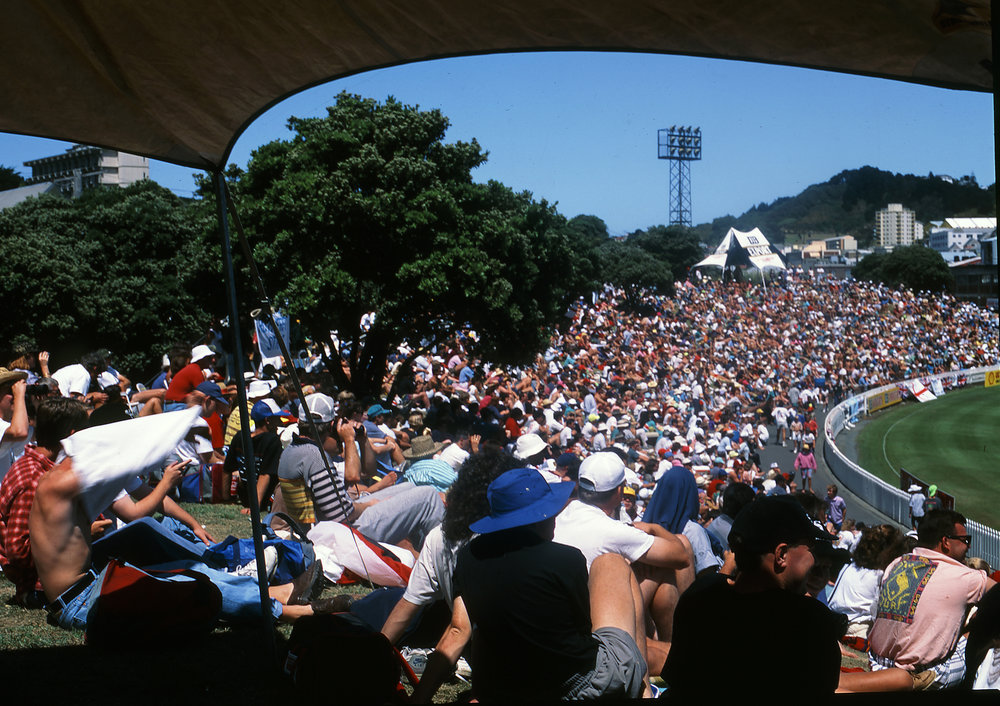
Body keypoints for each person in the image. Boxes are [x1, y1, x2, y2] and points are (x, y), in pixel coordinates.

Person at [411, 467, 651, 702]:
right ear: (538, 519)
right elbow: (582, 628)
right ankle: (646, 692)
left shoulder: (469, 557)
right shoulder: (566, 560)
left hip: (512, 686)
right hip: (577, 684)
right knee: (613, 564)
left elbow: (458, 629)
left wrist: (419, 698)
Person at [663, 495, 892, 699]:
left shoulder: (701, 595)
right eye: (811, 549)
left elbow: (678, 680)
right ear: (781, 554)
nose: (814, 561)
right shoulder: (810, 620)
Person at [553, 452, 693, 668]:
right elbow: (681, 557)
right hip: (597, 623)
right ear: (619, 491)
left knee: (658, 573)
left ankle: (670, 643)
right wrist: (653, 528)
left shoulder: (564, 513)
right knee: (668, 563)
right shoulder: (611, 530)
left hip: (574, 617)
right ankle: (680, 640)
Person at [868, 509, 996, 689]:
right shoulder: (964, 576)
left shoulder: (896, 564)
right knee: (981, 628)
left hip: (877, 663)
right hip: (924, 673)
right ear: (946, 542)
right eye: (965, 540)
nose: (968, 547)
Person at [0, 397, 90, 607]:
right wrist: (81, 533)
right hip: (42, 587)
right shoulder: (35, 479)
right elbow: (18, 552)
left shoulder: (41, 468)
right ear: (72, 436)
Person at [0, 367, 30, 481]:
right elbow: (20, 432)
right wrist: (19, 396)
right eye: (10, 391)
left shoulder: (9, 425)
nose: (15, 395)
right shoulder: (12, 429)